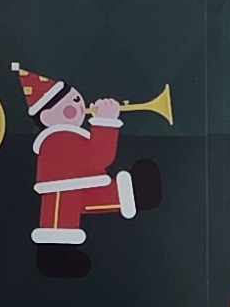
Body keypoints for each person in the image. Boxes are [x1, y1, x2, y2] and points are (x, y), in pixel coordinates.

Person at [15, 64, 158, 278]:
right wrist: (106, 122)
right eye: (69, 103)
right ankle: (58, 259)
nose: (79, 105)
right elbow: (98, 158)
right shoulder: (61, 137)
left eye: (77, 98)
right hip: (63, 191)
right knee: (61, 225)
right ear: (46, 117)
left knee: (92, 200)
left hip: (76, 186)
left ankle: (137, 194)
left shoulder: (65, 136)